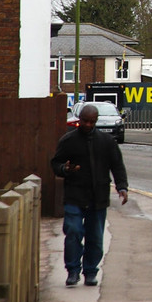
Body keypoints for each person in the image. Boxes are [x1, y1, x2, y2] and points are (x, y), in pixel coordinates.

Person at [51, 103, 128, 287]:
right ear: (80, 120)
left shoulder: (107, 142)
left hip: (98, 196)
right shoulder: (68, 141)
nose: (88, 125)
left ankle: (91, 272)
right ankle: (72, 270)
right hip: (74, 195)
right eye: (85, 121)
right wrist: (65, 169)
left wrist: (122, 187)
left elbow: (117, 165)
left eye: (92, 122)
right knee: (73, 231)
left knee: (95, 237)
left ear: (96, 121)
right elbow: (56, 164)